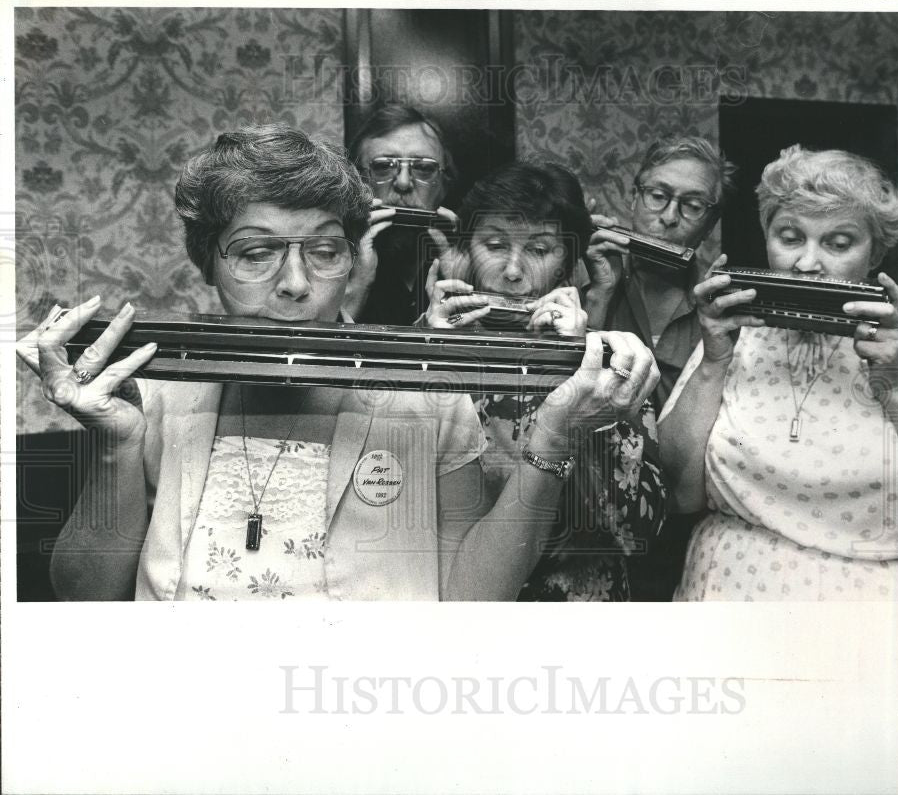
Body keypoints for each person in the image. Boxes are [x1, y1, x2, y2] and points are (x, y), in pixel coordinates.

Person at [15, 124, 659, 602]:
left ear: (353, 260)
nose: (296, 284)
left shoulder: (427, 394)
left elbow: (472, 599)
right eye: (256, 253)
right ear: (207, 261)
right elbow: (84, 597)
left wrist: (554, 437)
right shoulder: (156, 391)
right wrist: (116, 446)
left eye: (324, 252)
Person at [658, 145, 898, 601]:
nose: (807, 263)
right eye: (790, 237)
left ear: (875, 252)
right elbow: (678, 495)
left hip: (892, 609)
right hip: (732, 595)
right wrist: (713, 362)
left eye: (838, 243)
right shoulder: (736, 335)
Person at [421, 161, 668, 600]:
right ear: (466, 251)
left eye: (539, 249)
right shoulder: (426, 343)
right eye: (494, 245)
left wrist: (573, 365)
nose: (513, 272)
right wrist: (431, 353)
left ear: (566, 264)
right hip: (459, 602)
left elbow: (637, 533)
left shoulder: (609, 361)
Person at [584, 136, 737, 598]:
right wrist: (599, 299)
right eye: (658, 196)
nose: (669, 217)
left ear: (709, 223)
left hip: (682, 519)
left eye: (692, 206)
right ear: (634, 198)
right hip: (588, 506)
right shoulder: (584, 281)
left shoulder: (722, 309)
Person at [343, 104, 457, 325]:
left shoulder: (469, 257)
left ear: (444, 185)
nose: (403, 183)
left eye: (424, 168)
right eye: (383, 166)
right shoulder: (325, 259)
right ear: (357, 183)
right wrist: (355, 289)